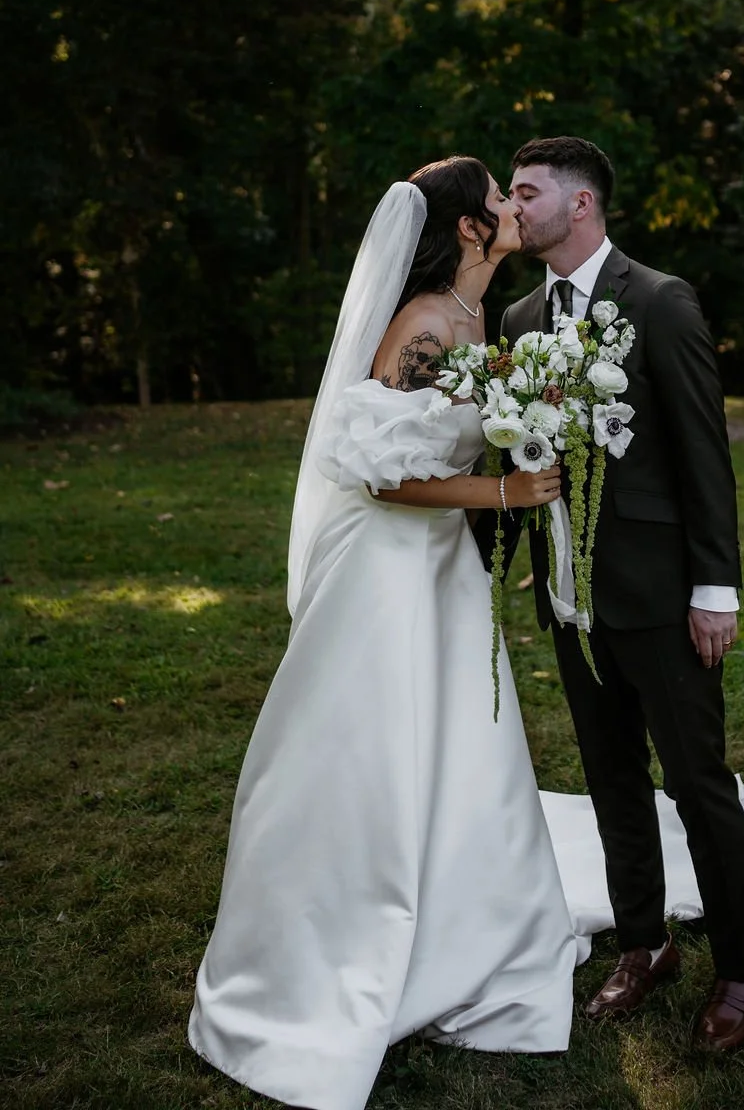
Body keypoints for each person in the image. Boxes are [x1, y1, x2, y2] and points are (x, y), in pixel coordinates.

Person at [188, 158, 578, 1110]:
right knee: (374, 746)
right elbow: (376, 473)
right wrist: (503, 489)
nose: (512, 207)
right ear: (473, 230)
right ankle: (341, 932)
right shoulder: (426, 323)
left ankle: (468, 917)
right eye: (500, 198)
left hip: (440, 563)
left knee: (460, 743)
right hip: (387, 566)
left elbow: (466, 428)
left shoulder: (482, 317)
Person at [502, 134, 744, 1053]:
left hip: (663, 597)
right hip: (573, 599)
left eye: (527, 192)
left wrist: (715, 590)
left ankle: (740, 969)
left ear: (579, 204)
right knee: (613, 780)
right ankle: (644, 943)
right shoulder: (517, 320)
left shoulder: (658, 302)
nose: (513, 205)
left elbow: (706, 455)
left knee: (698, 783)